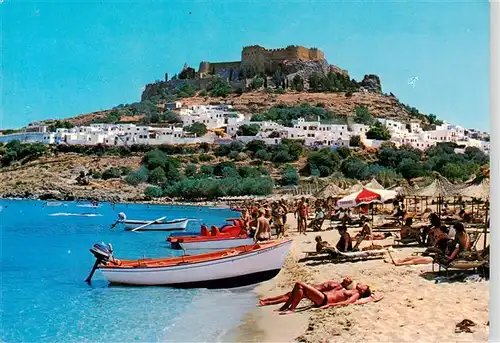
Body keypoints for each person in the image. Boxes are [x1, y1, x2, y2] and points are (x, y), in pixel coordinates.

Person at [276, 282, 373, 315]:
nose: (363, 284)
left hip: (324, 300)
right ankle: (285, 307)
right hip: (323, 297)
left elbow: (346, 303)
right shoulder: (352, 290)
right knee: (300, 288)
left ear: (363, 291)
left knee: (300, 284)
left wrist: (330, 305)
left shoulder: (356, 295)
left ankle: (291, 309)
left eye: (365, 286)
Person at [258, 277, 356, 307]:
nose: (347, 278)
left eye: (349, 280)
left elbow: (329, 293)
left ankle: (267, 302)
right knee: (288, 295)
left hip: (313, 292)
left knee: (289, 297)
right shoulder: (338, 284)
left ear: (348, 284)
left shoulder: (338, 288)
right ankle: (267, 300)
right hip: (313, 289)